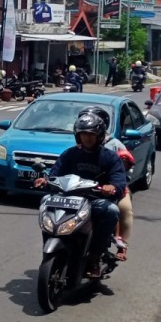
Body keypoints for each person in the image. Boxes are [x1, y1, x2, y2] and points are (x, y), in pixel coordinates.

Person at [33, 112, 126, 277]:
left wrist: (111, 187)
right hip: (68, 198)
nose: (87, 138)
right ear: (78, 136)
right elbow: (55, 174)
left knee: (111, 211)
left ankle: (95, 256)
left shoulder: (109, 157)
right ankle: (48, 246)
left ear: (99, 136)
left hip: (94, 200)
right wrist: (45, 181)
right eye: (84, 134)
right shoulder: (70, 154)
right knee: (45, 200)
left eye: (91, 134)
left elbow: (119, 180)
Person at [79, 106, 136, 261]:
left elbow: (126, 167)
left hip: (111, 188)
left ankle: (121, 244)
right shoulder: (77, 148)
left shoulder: (115, 144)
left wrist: (114, 185)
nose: (87, 136)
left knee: (123, 209)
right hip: (83, 189)